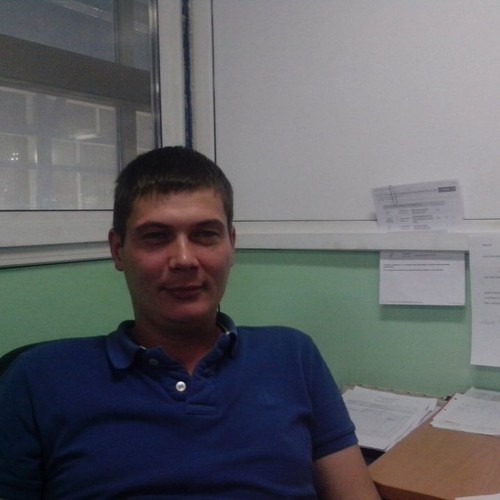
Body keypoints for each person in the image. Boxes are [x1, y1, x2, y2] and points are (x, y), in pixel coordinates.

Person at [0, 146, 380, 499]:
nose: (184, 259)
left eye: (205, 235)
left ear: (231, 244)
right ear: (118, 250)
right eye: (156, 237)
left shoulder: (293, 356)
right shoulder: (39, 378)